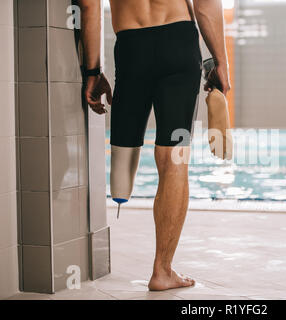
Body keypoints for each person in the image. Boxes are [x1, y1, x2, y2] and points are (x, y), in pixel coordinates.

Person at [79, 0, 231, 291]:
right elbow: (205, 5)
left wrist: (92, 72)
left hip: (131, 47)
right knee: (174, 159)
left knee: (125, 151)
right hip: (178, 44)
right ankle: (162, 270)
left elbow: (88, 6)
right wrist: (219, 62)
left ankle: (159, 261)